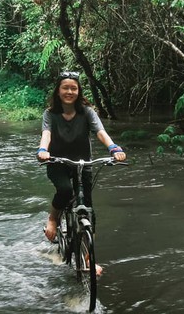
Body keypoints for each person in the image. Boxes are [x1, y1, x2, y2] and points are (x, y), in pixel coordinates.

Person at [36, 71, 126, 274]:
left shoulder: (87, 112)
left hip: (83, 163)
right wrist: (43, 151)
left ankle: (88, 258)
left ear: (79, 91)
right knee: (66, 190)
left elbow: (100, 132)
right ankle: (53, 218)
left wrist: (114, 148)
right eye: (65, 88)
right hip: (58, 162)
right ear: (58, 91)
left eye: (73, 88)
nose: (69, 91)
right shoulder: (50, 114)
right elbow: (46, 134)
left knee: (88, 208)